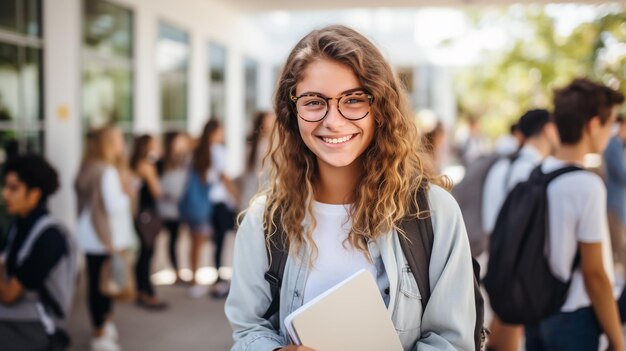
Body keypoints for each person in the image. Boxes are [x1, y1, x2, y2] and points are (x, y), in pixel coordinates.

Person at [225, 25, 476, 351]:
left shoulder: (433, 212)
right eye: (314, 102)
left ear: (380, 108)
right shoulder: (264, 220)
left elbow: (452, 342)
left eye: (353, 100)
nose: (333, 120)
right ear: (292, 112)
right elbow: (248, 330)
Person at [524, 79, 624, 351]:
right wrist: (617, 340)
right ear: (593, 126)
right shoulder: (586, 184)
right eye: (610, 123)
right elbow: (595, 275)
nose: (612, 132)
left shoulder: (539, 171)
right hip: (574, 318)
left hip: (537, 311)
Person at [481, 109, 559, 351]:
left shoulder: (502, 166)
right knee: (512, 328)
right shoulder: (535, 171)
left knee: (503, 324)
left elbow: (488, 219)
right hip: (520, 264)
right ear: (548, 129)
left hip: (498, 255)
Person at [0, 155, 76, 351]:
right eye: (5, 187)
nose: (5, 194)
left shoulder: (49, 237)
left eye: (13, 188)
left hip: (40, 324)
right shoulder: (19, 226)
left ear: (34, 194)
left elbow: (9, 294)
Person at [75, 126, 135, 351]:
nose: (122, 144)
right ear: (108, 144)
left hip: (89, 233)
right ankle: (101, 331)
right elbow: (113, 207)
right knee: (104, 286)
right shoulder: (107, 171)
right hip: (104, 236)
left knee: (96, 283)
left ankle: (102, 327)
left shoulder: (88, 167)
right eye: (119, 139)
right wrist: (127, 193)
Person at [130, 134, 168, 309]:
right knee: (147, 253)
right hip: (145, 215)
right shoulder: (146, 166)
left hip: (140, 214)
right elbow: (157, 191)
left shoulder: (136, 164)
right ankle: (146, 292)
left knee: (144, 253)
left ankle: (142, 290)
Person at [157, 131, 191, 284]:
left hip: (179, 208)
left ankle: (177, 269)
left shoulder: (186, 160)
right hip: (163, 207)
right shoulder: (161, 162)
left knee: (175, 239)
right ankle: (175, 269)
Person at [238, 110, 276, 210]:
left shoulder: (252, 146)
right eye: (271, 119)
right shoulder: (266, 146)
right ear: (263, 123)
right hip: (260, 201)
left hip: (249, 199)